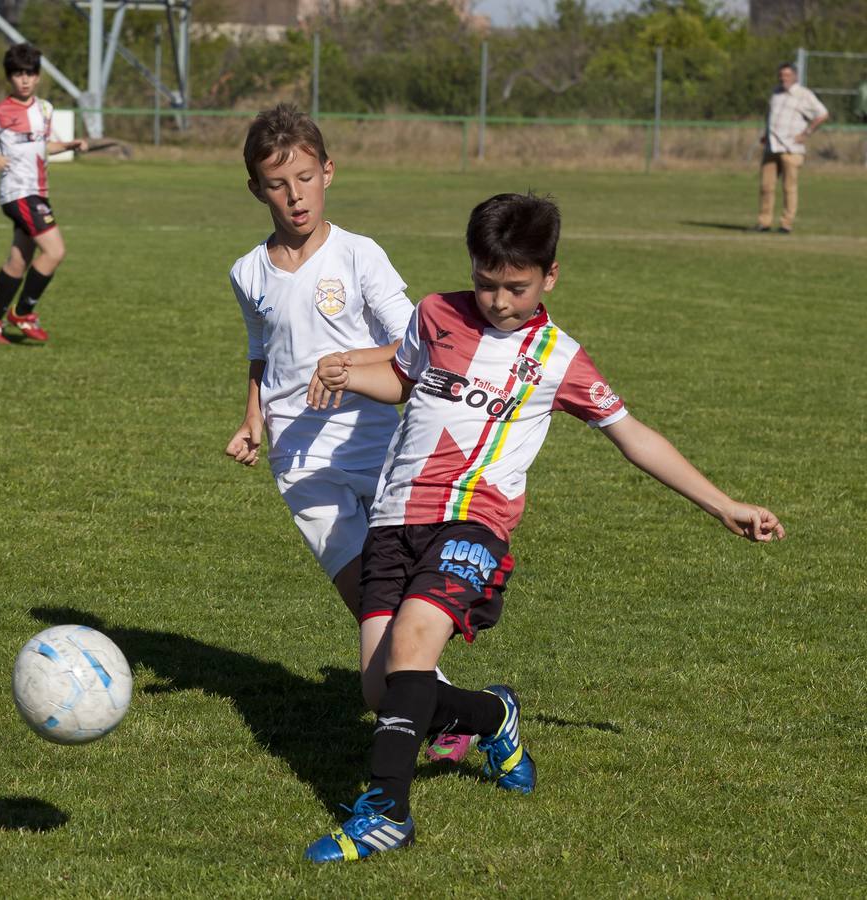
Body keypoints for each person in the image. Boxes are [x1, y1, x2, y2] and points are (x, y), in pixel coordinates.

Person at [302, 192, 785, 863]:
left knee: (414, 644)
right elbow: (407, 380)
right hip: (396, 519)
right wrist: (354, 375)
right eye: (486, 282)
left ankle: (385, 813)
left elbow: (633, 437)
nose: (498, 300)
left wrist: (723, 503)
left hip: (476, 523)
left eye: (516, 287)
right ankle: (494, 718)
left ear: (549, 275)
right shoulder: (435, 314)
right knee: (382, 691)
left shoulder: (559, 357)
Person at [225, 103, 471, 764]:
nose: (294, 194)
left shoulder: (359, 256)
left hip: (384, 450)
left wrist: (351, 366)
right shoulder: (248, 273)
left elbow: (414, 344)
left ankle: (441, 703)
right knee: (367, 594)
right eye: (278, 183)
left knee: (397, 599)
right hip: (304, 467)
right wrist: (253, 414)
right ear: (256, 189)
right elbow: (263, 350)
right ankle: (444, 710)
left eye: (305, 177)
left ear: (328, 171)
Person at [0, 42, 86, 345]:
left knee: (19, 261)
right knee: (55, 251)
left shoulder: (45, 109)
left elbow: (43, 146)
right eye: (18, 74)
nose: (24, 80)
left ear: (38, 76)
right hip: (17, 192)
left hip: (38, 190)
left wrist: (69, 146)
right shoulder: (1, 111)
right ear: (10, 77)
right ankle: (23, 312)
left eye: (30, 74)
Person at [756, 62, 829, 234]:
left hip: (792, 148)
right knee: (766, 187)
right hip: (772, 147)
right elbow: (770, 115)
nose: (784, 78)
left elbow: (823, 114)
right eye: (782, 75)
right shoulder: (775, 93)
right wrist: (766, 134)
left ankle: (786, 224)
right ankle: (764, 222)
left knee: (789, 187)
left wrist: (807, 132)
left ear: (795, 76)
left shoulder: (804, 94)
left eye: (787, 75)